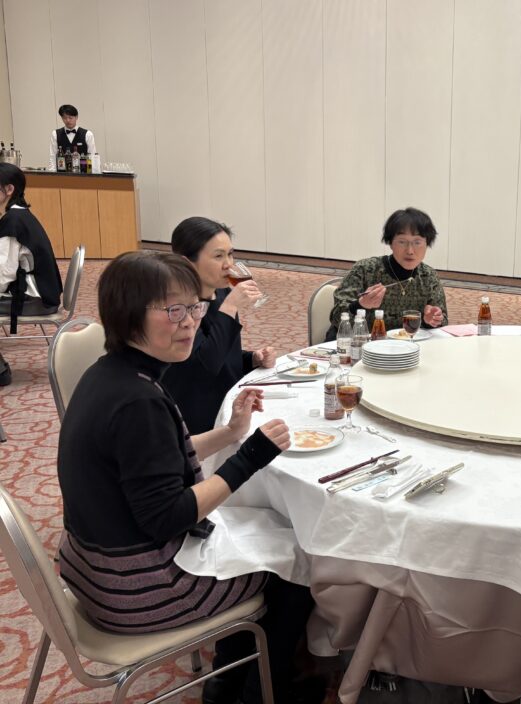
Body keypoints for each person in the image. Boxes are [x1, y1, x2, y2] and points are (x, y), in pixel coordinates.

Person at [56, 251, 320, 704]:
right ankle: (261, 691)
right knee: (299, 561)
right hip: (136, 589)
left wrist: (230, 433)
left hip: (92, 567)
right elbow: (168, 516)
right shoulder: (138, 401)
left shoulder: (109, 374)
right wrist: (249, 456)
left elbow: (155, 462)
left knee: (265, 533)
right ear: (127, 314)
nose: (191, 322)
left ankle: (226, 681)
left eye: (195, 307)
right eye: (173, 310)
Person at [162, 217, 275, 433]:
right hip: (195, 418)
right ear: (186, 263)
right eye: (218, 256)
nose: (229, 264)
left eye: (230, 254)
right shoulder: (177, 309)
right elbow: (204, 368)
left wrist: (251, 358)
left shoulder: (221, 292)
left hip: (229, 403)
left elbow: (222, 353)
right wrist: (230, 307)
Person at [328, 207, 448, 335]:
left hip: (405, 344)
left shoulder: (429, 277)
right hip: (357, 342)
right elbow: (336, 316)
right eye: (402, 242)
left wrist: (431, 320)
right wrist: (361, 304)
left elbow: (443, 322)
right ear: (390, 243)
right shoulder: (365, 270)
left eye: (417, 242)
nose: (410, 251)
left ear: (427, 244)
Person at [0, 162, 62, 386]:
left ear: (9, 189)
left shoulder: (12, 221)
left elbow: (3, 276)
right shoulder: (21, 215)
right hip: (42, 293)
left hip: (34, 300)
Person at [47, 104, 96, 170]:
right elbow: (52, 157)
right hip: (62, 173)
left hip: (83, 172)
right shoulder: (55, 134)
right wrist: (52, 174)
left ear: (76, 117)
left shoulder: (88, 134)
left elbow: (93, 157)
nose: (68, 120)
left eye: (70, 118)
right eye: (64, 118)